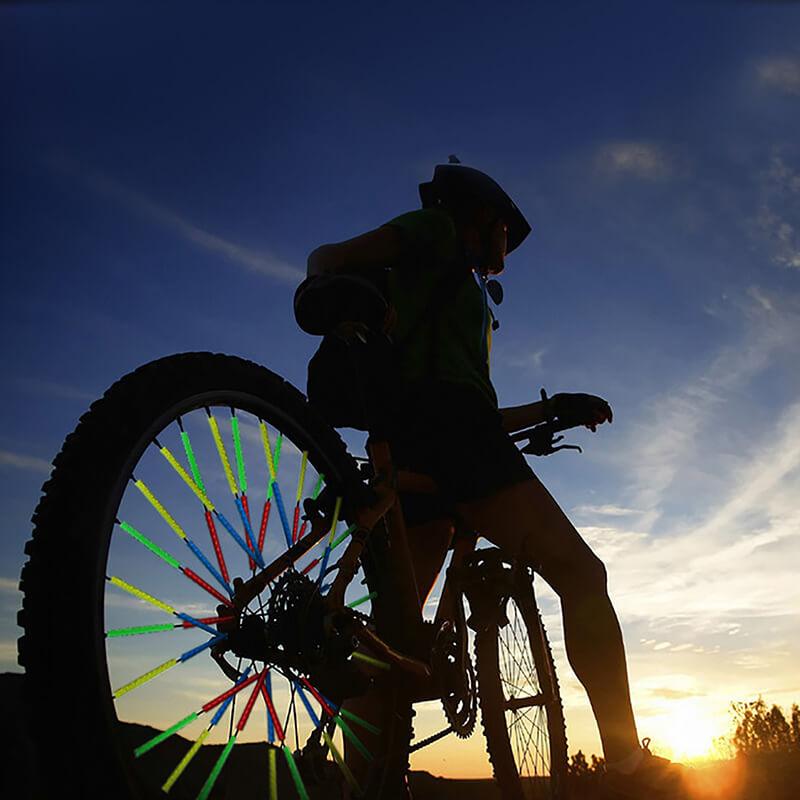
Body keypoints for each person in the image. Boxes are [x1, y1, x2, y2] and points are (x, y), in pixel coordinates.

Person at [303, 158, 687, 799]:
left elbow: (466, 401)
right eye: (505, 230)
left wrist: (550, 408)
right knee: (583, 576)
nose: (507, 245)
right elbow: (330, 255)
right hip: (459, 446)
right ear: (480, 216)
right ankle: (626, 763)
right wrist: (325, 279)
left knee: (392, 633)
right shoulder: (436, 231)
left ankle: (360, 782)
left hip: (415, 448)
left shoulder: (449, 285)